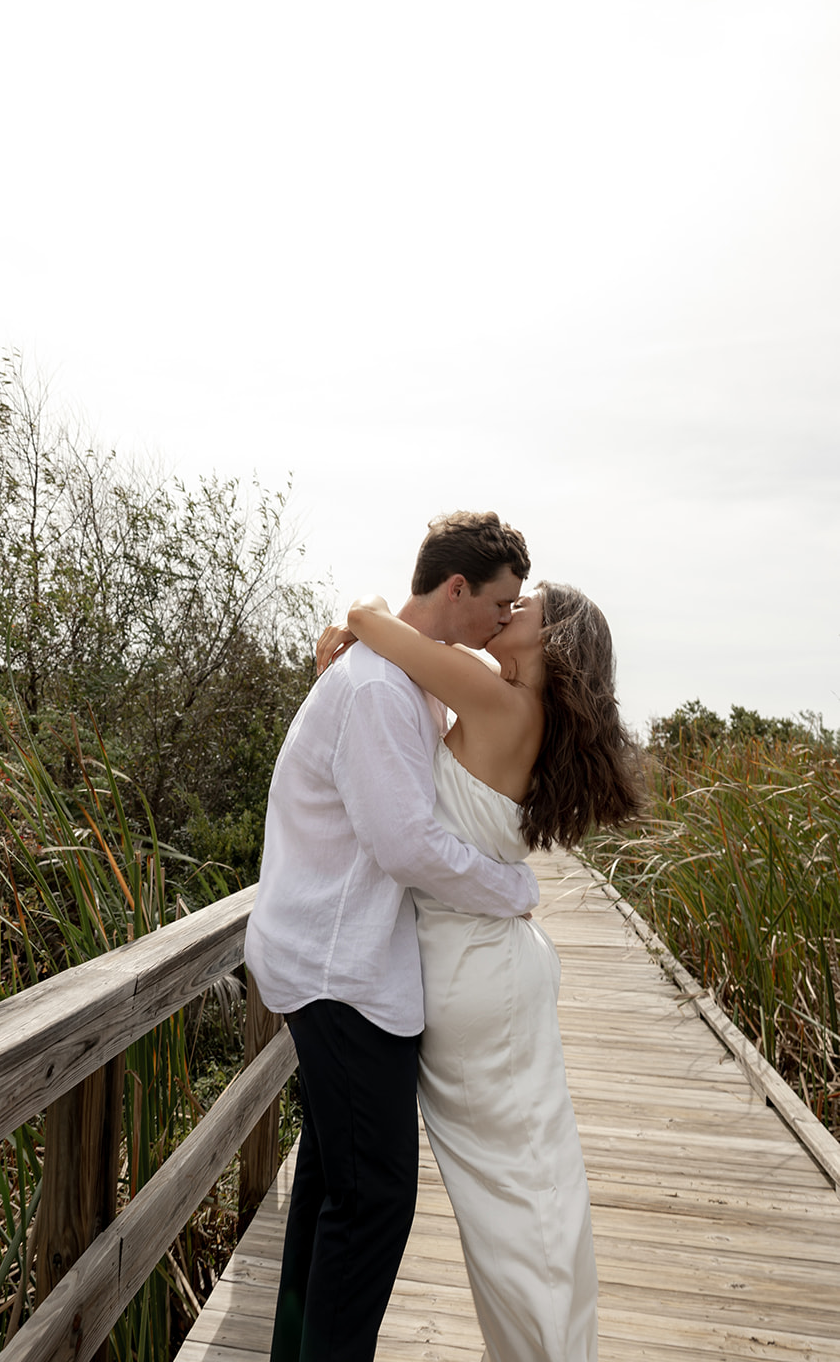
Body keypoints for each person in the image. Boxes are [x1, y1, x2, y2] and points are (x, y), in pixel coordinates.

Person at [314, 580, 643, 1362]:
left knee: (512, 1188)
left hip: (470, 969)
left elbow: (370, 620)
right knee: (526, 1174)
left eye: (519, 609)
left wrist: (351, 633)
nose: (503, 614)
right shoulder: (508, 704)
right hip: (488, 965)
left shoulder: (499, 703)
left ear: (548, 640)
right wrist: (342, 662)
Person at [244, 512, 540, 1362]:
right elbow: (404, 842)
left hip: (343, 958)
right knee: (374, 1201)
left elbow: (387, 620)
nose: (499, 622)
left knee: (338, 1187)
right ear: (456, 589)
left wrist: (360, 608)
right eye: (499, 603)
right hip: (340, 972)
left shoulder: (407, 675)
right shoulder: (377, 690)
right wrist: (510, 890)